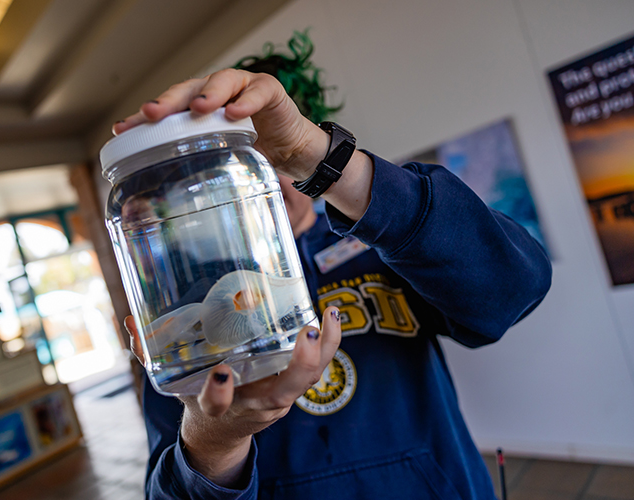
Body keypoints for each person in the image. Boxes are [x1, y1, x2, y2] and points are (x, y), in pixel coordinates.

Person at [112, 37, 552, 499]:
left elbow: (516, 288)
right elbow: (167, 489)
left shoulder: (384, 238)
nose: (267, 172)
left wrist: (322, 157)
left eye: (277, 149)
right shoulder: (192, 297)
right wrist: (214, 444)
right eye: (243, 152)